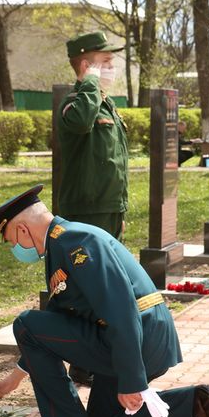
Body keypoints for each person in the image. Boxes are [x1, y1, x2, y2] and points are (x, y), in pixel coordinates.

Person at [0, 185, 209, 417]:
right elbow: (56, 321)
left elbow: (120, 310)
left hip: (139, 340)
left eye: (11, 241)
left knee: (25, 323)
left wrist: (132, 381)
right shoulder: (63, 242)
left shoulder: (76, 244)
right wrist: (16, 377)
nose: (15, 248)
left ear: (23, 230)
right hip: (142, 337)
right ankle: (196, 405)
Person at [57, 31, 130, 386]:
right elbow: (80, 123)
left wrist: (121, 209)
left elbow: (114, 162)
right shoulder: (77, 102)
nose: (111, 68)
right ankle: (81, 361)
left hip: (108, 208)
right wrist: (88, 85)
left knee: (105, 287)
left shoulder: (105, 104)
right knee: (86, 287)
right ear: (85, 65)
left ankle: (95, 358)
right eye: (104, 62)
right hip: (86, 212)